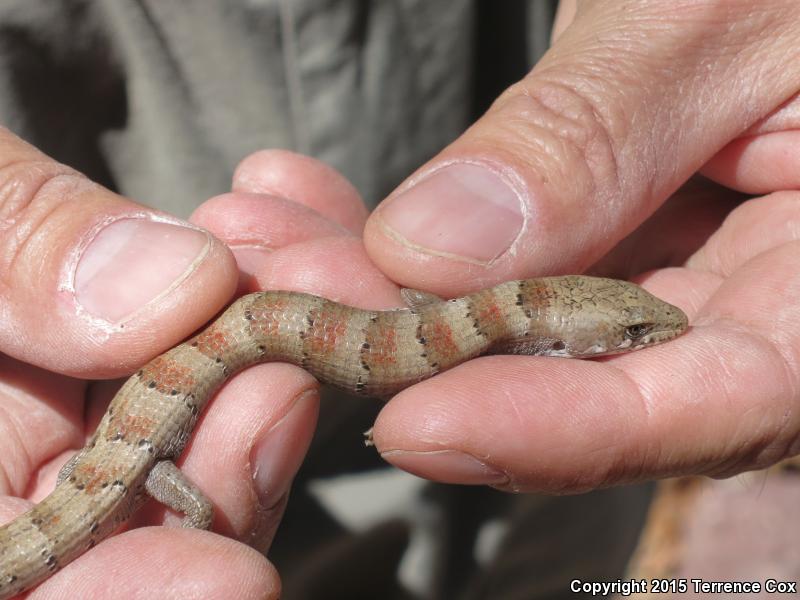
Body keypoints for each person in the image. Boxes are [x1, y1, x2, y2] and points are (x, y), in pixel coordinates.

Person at [1, 1, 799, 597]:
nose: (642, 333)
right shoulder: (471, 326)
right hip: (134, 453)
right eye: (628, 330)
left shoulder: (470, 317)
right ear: (558, 337)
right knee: (199, 531)